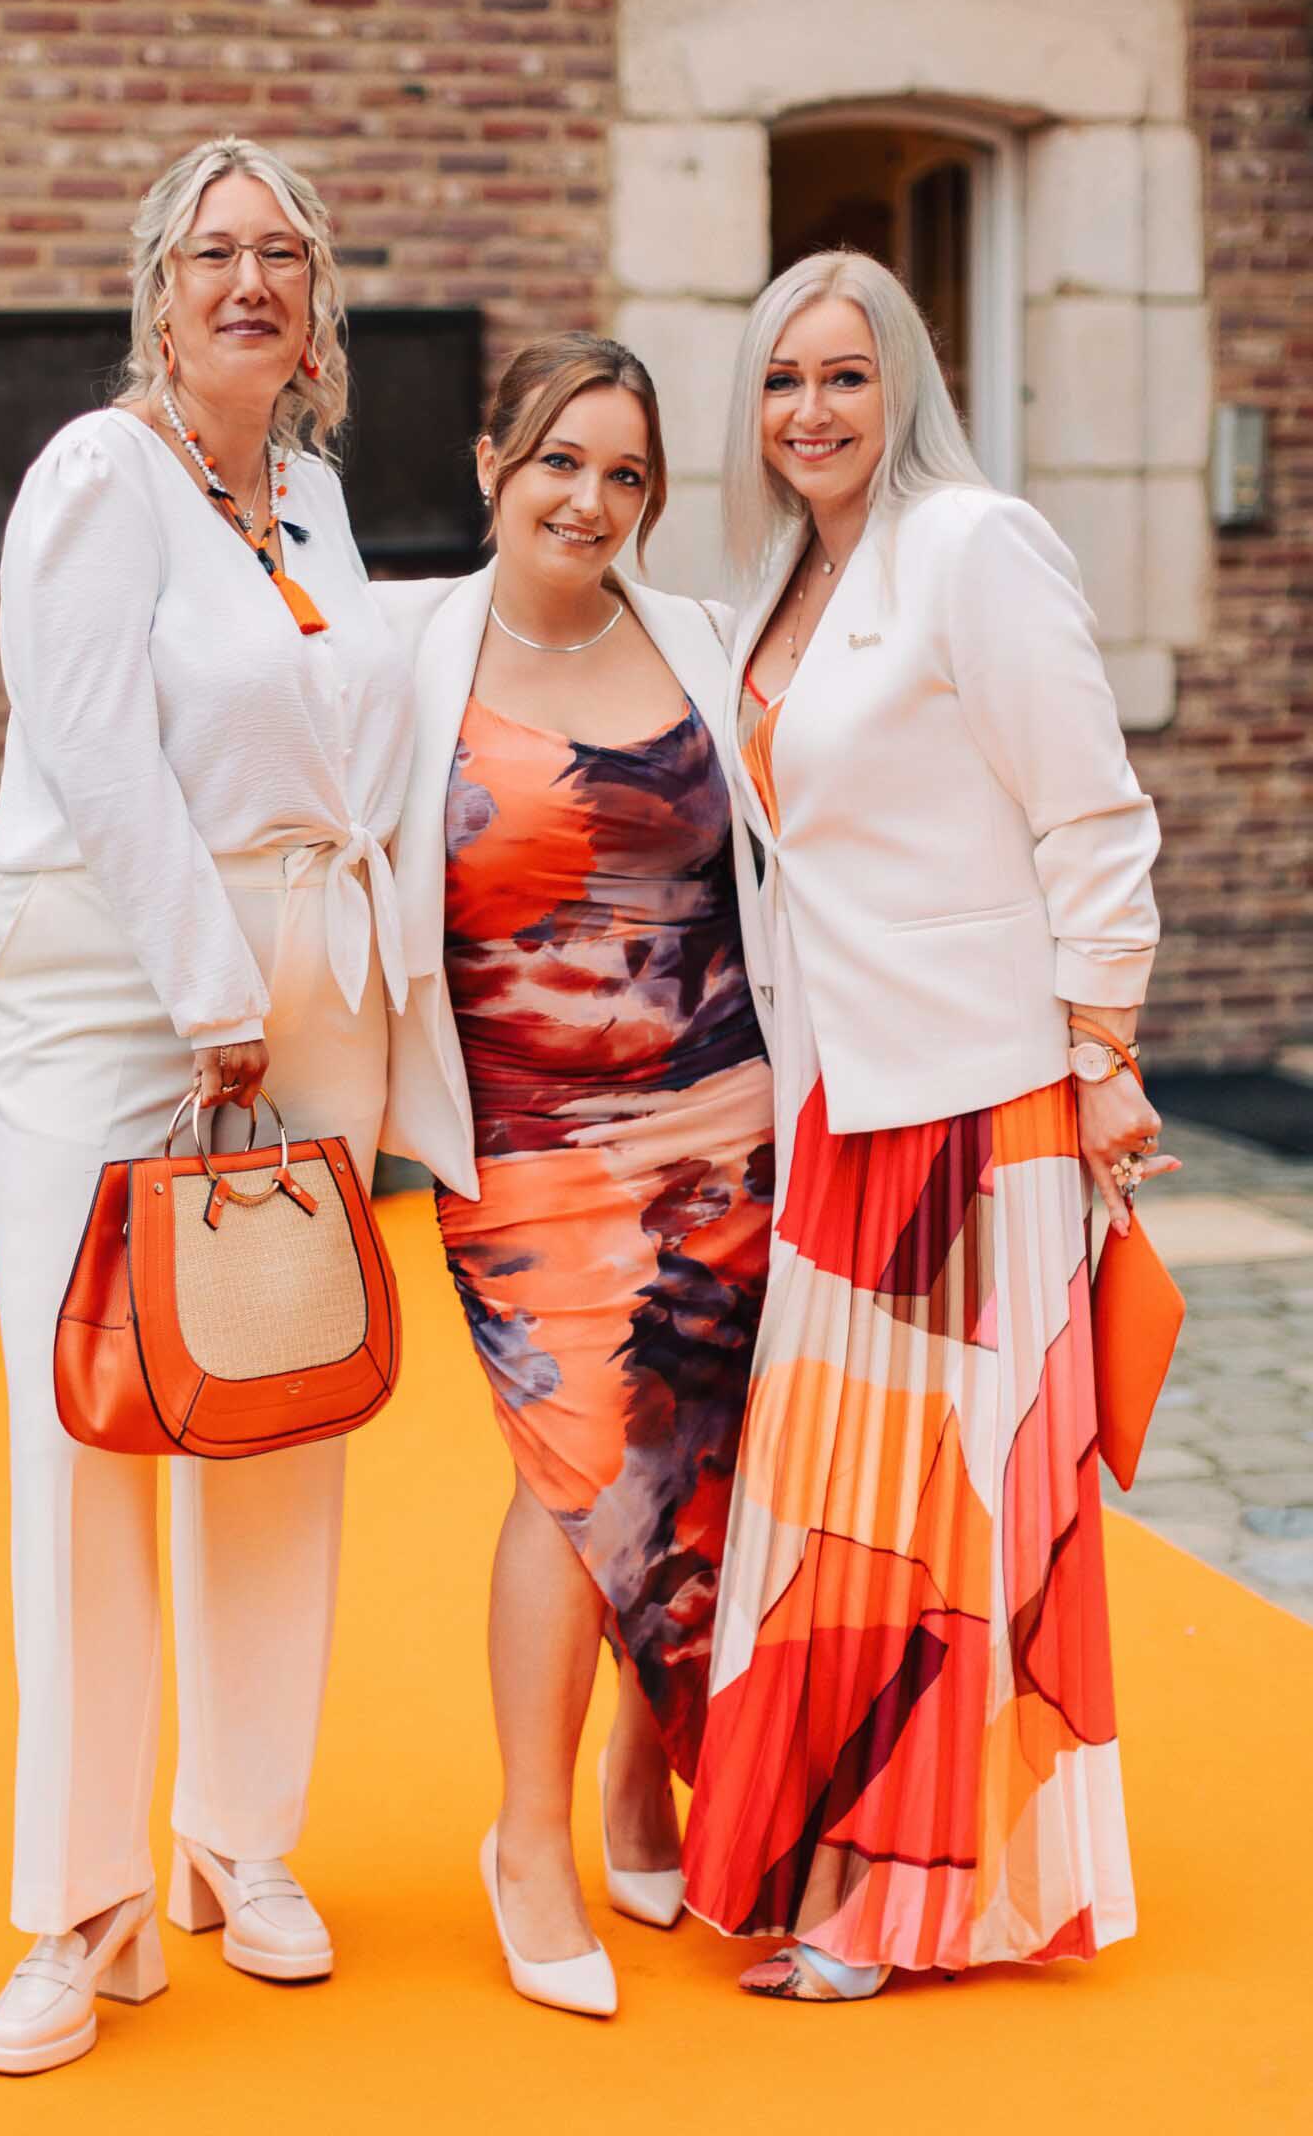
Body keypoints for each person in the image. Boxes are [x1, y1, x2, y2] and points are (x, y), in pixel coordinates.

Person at [0, 135, 413, 2073]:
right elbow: (91, 747)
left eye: (283, 255)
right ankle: (82, 1907)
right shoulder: (101, 473)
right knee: (86, 1433)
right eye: (215, 251)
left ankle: (243, 1839)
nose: (250, 281)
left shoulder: (314, 495)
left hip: (303, 995)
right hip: (116, 989)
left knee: (274, 1408)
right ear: (158, 288)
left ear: (317, 305)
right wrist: (214, 993)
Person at [681, 250, 1174, 2002]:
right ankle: (831, 1851)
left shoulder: (974, 545)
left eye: (846, 375)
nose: (811, 410)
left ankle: (906, 1900)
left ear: (905, 384)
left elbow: (1093, 815)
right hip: (846, 1095)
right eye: (781, 379)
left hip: (982, 1100)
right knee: (838, 1495)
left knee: (953, 1503)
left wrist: (1103, 1048)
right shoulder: (775, 585)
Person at [380, 335, 774, 2017]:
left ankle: (637, 1777)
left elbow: (797, 873)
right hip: (526, 1136)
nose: (590, 500)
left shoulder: (706, 640)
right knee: (583, 1456)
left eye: (625, 473)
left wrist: (779, 1077)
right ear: (492, 466)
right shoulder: (401, 654)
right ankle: (527, 1838)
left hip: (725, 1113)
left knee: (698, 1454)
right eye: (558, 460)